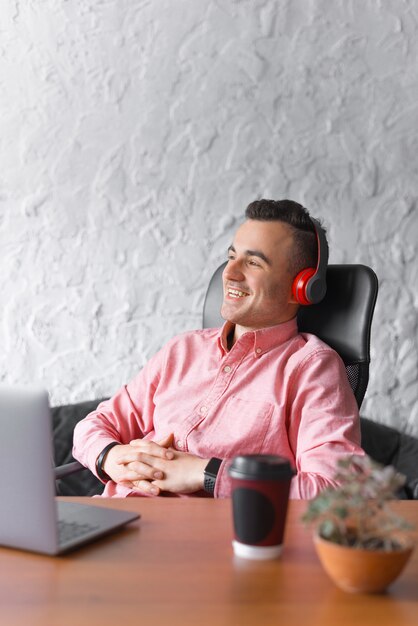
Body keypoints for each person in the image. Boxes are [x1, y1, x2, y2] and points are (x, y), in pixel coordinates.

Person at [73, 199, 363, 499]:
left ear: (301, 286)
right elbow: (95, 424)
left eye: (253, 263)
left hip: (194, 539)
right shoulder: (182, 350)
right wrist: (109, 457)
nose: (229, 273)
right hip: (115, 517)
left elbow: (337, 492)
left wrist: (207, 474)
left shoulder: (312, 368)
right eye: (231, 256)